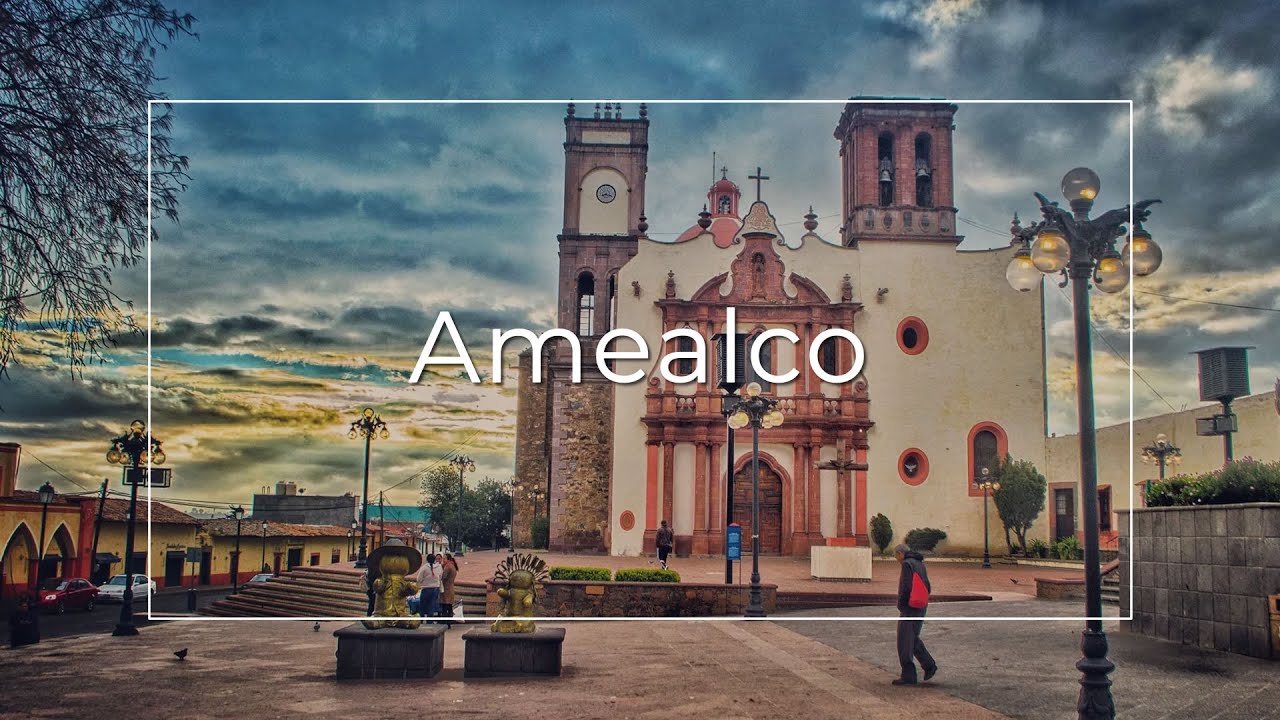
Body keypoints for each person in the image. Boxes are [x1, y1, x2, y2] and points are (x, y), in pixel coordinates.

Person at [893, 543, 937, 686]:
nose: (896, 559)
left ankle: (909, 675)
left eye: (896, 556)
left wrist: (902, 605)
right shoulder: (919, 563)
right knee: (912, 638)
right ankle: (929, 665)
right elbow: (927, 585)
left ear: (900, 553)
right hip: (920, 605)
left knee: (904, 640)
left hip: (910, 607)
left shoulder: (907, 564)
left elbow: (905, 587)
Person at [413, 552, 443, 620]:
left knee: (423, 605)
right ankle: (430, 621)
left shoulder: (424, 568)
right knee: (431, 605)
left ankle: (421, 619)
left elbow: (418, 579)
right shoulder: (439, 567)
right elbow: (440, 577)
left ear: (427, 560)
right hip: (436, 588)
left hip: (426, 588)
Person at [439, 552, 458, 622]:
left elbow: (444, 577)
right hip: (451, 588)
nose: (443, 560)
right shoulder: (452, 566)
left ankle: (444, 621)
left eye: (444, 558)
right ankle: (449, 621)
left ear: (448, 559)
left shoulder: (447, 567)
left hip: (446, 589)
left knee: (445, 606)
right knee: (449, 606)